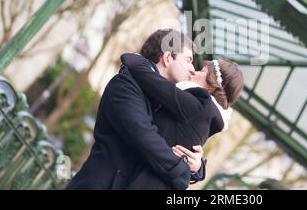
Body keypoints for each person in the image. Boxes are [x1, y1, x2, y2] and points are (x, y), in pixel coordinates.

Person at [67, 29, 204, 190]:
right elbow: (144, 134)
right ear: (167, 58)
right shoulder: (125, 84)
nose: (192, 69)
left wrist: (196, 165)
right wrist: (181, 170)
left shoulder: (163, 101)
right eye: (188, 60)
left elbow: (174, 137)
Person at [121, 43, 244, 189]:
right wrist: (198, 169)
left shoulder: (201, 103)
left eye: (202, 71)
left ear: (212, 85)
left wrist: (134, 59)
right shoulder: (208, 115)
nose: (194, 72)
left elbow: (155, 84)